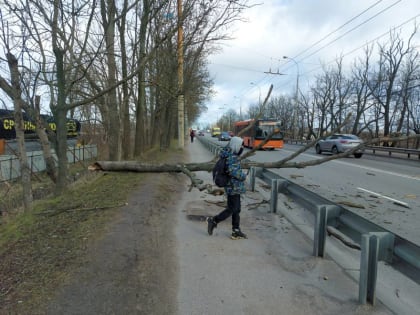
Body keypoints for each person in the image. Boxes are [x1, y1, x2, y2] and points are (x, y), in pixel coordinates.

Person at [207, 136, 248, 239]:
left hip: (234, 187)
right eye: (241, 145)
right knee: (232, 209)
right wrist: (243, 176)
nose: (242, 147)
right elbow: (233, 171)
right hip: (233, 187)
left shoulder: (228, 155)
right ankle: (214, 220)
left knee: (237, 209)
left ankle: (236, 230)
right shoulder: (232, 157)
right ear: (236, 145)